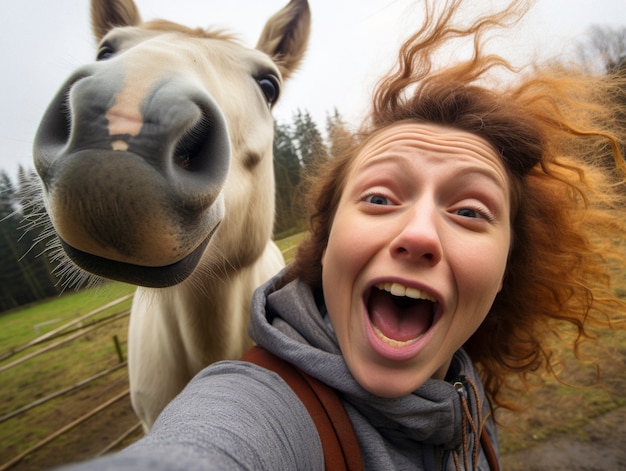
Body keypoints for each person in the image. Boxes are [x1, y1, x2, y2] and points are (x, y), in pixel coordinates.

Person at [57, 0, 626, 469]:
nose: (419, 234)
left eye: (472, 211)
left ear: (509, 267)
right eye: (378, 198)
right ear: (324, 242)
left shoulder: (464, 392)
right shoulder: (259, 408)